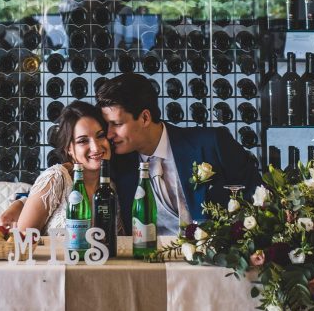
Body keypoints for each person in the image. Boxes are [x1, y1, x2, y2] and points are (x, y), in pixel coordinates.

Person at [96, 73, 260, 234]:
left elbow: (259, 200)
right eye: (107, 125)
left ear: (145, 118)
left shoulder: (212, 144)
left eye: (116, 124)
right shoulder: (116, 163)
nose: (109, 134)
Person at [6, 101, 112, 234]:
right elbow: (21, 242)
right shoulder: (56, 178)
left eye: (100, 135)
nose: (96, 147)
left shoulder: (111, 187)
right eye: (83, 141)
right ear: (69, 149)